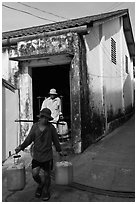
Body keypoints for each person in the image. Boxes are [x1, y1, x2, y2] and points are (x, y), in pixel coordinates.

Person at [15, 108, 63, 201]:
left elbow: (56, 140)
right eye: (43, 117)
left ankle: (45, 190)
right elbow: (29, 139)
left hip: (47, 156)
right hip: (37, 156)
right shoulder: (35, 127)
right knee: (35, 174)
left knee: (47, 175)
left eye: (47, 118)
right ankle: (40, 184)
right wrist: (20, 147)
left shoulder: (51, 128)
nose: (45, 120)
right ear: (40, 117)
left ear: (48, 119)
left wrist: (59, 150)